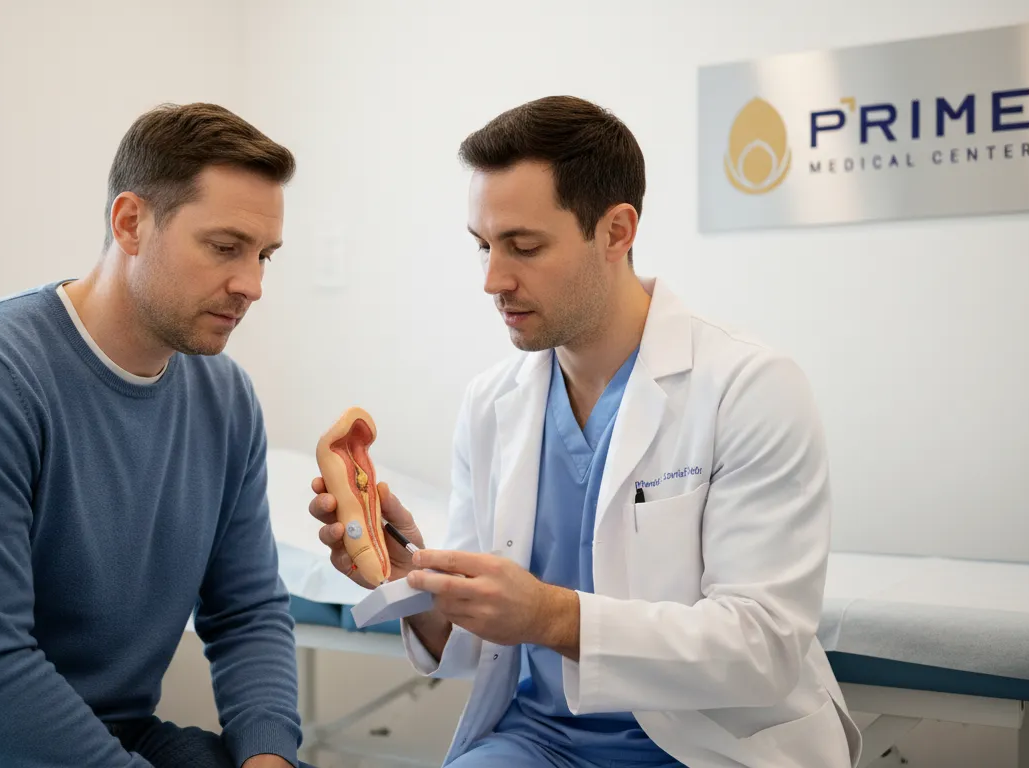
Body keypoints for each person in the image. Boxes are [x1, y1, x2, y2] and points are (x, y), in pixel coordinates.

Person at [309, 96, 863, 768]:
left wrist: (551, 616)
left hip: (712, 745)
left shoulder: (750, 386)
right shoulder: (492, 405)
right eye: (483, 246)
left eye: (524, 246)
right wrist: (414, 581)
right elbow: (476, 645)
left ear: (616, 231)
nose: (492, 280)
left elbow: (763, 646)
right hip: (539, 741)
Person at [0, 103, 312, 768]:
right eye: (225, 248)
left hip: (110, 737)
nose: (250, 284)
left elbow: (247, 610)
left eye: (264, 255)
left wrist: (269, 758)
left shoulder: (225, 400)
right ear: (131, 222)